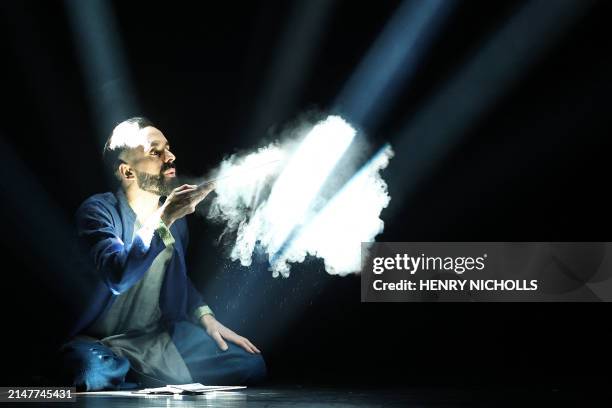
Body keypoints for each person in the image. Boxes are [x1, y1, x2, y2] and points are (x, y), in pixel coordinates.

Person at [61, 117, 265, 390]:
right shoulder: (97, 212)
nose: (170, 157)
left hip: (154, 339)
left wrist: (207, 319)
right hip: (99, 342)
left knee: (250, 364)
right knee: (89, 373)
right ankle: (138, 374)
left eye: (168, 148)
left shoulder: (176, 220)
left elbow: (178, 281)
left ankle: (132, 377)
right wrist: (164, 219)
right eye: (155, 152)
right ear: (128, 172)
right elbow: (118, 276)